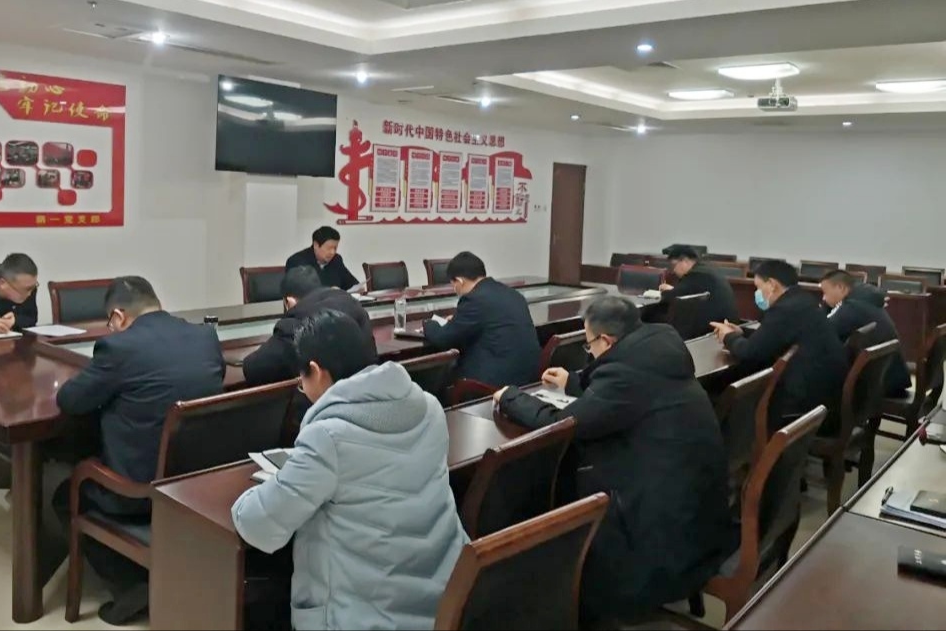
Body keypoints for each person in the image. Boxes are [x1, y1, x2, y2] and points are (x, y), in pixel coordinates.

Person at [492, 296, 728, 623]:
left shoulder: (624, 375)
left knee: (560, 483)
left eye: (589, 345)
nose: (589, 353)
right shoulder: (660, 347)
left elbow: (564, 424)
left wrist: (511, 398)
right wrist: (573, 382)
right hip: (694, 509)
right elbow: (620, 393)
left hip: (655, 526)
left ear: (606, 340)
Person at [232, 310, 469, 631]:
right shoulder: (429, 408)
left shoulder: (328, 437)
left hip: (363, 614)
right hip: (440, 600)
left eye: (302, 382)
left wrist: (249, 497)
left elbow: (260, 523)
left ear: (316, 371)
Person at [53, 277, 226, 625]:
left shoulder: (119, 348)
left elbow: (70, 400)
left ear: (118, 316)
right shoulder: (204, 336)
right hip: (194, 485)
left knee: (63, 494)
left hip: (139, 493)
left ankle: (131, 585)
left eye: (110, 322)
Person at [711, 260, 848, 431]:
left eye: (758, 287)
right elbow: (773, 338)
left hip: (803, 402)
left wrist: (727, 337)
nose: (757, 293)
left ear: (772, 284)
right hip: (824, 394)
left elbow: (749, 352)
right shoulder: (802, 300)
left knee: (731, 392)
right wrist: (741, 333)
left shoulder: (785, 309)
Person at [422, 251, 541, 387]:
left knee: (435, 380)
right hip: (529, 378)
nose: (455, 290)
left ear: (460, 281)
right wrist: (458, 319)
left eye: (453, 285)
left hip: (495, 383)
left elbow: (443, 339)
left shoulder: (473, 299)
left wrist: (429, 324)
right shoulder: (513, 294)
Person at [243, 266, 376, 385]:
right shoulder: (353, 305)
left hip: (328, 400)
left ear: (289, 302)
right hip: (367, 391)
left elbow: (253, 369)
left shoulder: (296, 323)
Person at [820, 270, 910, 397]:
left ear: (840, 287)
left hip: (881, 386)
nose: (823, 298)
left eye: (825, 292)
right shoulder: (865, 299)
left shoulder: (852, 307)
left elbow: (822, 331)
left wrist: (824, 307)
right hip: (890, 379)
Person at [659, 243, 739, 336]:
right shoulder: (706, 269)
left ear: (685, 261)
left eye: (674, 266)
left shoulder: (696, 274)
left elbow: (669, 297)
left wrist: (666, 292)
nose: (673, 271)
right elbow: (686, 290)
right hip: (726, 325)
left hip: (717, 331)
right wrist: (674, 289)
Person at [285, 226, 360, 291]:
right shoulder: (297, 261)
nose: (332, 252)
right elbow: (300, 290)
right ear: (316, 245)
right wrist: (329, 291)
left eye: (335, 248)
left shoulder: (336, 260)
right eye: (329, 248)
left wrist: (358, 289)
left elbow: (352, 284)